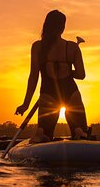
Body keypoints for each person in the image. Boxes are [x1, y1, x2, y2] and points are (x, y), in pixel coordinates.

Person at [16, 10, 89, 143]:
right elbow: (81, 75)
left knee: (44, 133)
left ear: (46, 25)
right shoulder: (72, 47)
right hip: (71, 92)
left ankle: (41, 133)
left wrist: (25, 104)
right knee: (80, 129)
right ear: (63, 27)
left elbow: (33, 77)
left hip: (48, 94)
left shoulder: (38, 46)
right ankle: (79, 131)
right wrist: (67, 71)